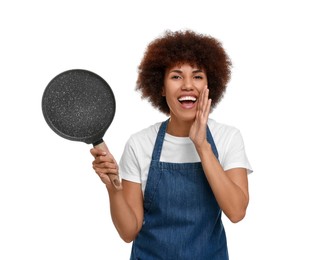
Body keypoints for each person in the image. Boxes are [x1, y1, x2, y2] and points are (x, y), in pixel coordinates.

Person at [90, 30, 253, 259]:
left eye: (197, 76)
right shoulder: (140, 144)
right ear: (161, 87)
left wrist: (202, 146)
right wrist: (114, 189)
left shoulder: (228, 137)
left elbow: (236, 212)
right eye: (176, 76)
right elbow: (129, 232)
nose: (188, 85)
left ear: (209, 85)